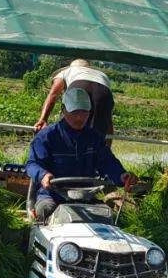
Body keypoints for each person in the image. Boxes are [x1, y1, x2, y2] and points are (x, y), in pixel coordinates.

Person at [25, 86, 135, 222]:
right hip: (53, 195)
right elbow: (32, 164)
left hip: (85, 196)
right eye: (75, 112)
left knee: (107, 218)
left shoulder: (94, 138)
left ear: (90, 112)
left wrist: (121, 175)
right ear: (63, 110)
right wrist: (43, 175)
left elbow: (107, 162)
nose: (79, 117)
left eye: (84, 113)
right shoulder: (46, 137)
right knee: (45, 210)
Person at [35, 57, 114, 136]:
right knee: (97, 132)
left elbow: (53, 94)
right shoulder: (102, 75)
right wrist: (108, 143)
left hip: (79, 85)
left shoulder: (66, 71)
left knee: (66, 129)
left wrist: (43, 119)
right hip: (104, 92)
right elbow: (108, 119)